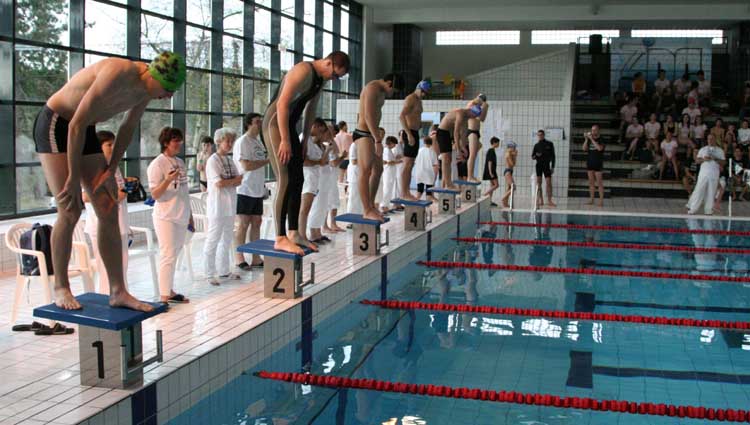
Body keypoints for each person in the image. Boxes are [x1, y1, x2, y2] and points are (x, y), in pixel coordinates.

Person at [34, 51, 185, 311]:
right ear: (153, 75)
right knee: (70, 209)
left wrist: (111, 168)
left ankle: (118, 291)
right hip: (58, 123)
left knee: (107, 206)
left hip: (84, 128)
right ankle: (61, 286)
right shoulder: (119, 72)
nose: (168, 96)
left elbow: (127, 127)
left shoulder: (146, 91)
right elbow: (75, 124)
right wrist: (73, 177)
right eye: (167, 89)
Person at [262, 51, 349, 255]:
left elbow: (311, 109)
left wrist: (305, 140)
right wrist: (285, 140)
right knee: (285, 178)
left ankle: (294, 233)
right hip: (274, 125)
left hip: (289, 127)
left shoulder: (320, 80)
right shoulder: (303, 70)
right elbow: (282, 104)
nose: (333, 79)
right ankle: (280, 237)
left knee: (298, 179)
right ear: (328, 63)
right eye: (334, 75)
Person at [148, 127, 192, 305]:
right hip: (165, 216)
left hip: (181, 213)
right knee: (167, 254)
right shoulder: (157, 164)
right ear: (166, 143)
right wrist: (167, 180)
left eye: (180, 140)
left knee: (175, 253)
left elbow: (184, 191)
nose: (179, 144)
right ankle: (163, 296)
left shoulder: (180, 162)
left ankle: (169, 290)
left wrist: (190, 214)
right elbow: (154, 194)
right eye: (175, 140)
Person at [82, 131, 129, 294]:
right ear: (98, 147)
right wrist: (115, 196)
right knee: (106, 268)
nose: (113, 148)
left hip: (119, 223)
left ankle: (122, 295)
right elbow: (85, 197)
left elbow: (119, 190)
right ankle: (106, 297)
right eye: (109, 145)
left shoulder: (114, 167)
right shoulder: (91, 168)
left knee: (122, 265)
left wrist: (125, 189)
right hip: (101, 226)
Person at [353, 73, 404, 222]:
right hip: (364, 133)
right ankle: (366, 209)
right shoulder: (372, 88)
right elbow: (368, 116)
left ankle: (371, 205)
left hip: (372, 133)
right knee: (366, 170)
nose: (392, 94)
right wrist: (377, 140)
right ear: (388, 83)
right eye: (393, 90)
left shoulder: (381, 91)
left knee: (378, 169)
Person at [204, 128, 242, 286]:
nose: (230, 144)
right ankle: (209, 273)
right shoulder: (212, 160)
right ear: (219, 141)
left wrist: (230, 181)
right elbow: (219, 183)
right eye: (228, 141)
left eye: (232, 141)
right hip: (217, 206)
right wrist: (232, 181)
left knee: (227, 239)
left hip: (230, 205)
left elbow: (239, 180)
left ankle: (224, 271)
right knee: (213, 239)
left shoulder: (229, 160)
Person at [233, 112, 268, 270]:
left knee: (257, 222)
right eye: (257, 122)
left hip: (257, 189)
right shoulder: (243, 142)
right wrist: (267, 161)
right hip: (244, 188)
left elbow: (258, 165)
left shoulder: (258, 142)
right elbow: (246, 165)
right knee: (243, 224)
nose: (260, 124)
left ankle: (256, 257)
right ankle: (239, 257)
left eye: (261, 121)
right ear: (248, 124)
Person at [436, 102, 483, 189]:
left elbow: (463, 134)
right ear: (471, 112)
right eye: (474, 116)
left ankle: (448, 183)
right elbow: (456, 133)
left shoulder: (466, 118)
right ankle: (448, 184)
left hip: (448, 134)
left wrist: (463, 147)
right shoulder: (460, 113)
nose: (474, 118)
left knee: (449, 159)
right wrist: (458, 149)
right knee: (446, 159)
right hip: (442, 132)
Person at [398, 79, 431, 199]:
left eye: (425, 93)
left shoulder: (419, 101)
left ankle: (406, 192)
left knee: (411, 164)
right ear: (418, 88)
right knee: (407, 163)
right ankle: (404, 193)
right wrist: (408, 134)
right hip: (410, 132)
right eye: (422, 92)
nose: (423, 94)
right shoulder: (411, 98)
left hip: (415, 132)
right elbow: (401, 116)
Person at [299, 119, 329, 250]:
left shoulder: (311, 141)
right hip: (307, 178)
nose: (321, 133)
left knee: (307, 209)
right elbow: (303, 161)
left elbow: (319, 160)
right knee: (304, 209)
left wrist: (319, 161)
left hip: (313, 179)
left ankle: (303, 236)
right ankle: (302, 237)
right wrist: (318, 162)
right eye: (321, 130)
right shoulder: (304, 139)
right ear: (315, 126)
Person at [687, 134, 726, 215]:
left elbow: (723, 162)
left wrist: (715, 159)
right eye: (709, 139)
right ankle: (693, 209)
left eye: (712, 139)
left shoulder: (720, 150)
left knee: (711, 192)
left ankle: (708, 210)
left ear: (715, 139)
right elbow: (697, 161)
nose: (710, 140)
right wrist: (704, 159)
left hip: (714, 174)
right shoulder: (703, 149)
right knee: (699, 190)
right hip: (703, 174)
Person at [467, 94, 489, 182]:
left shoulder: (478, 106)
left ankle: (471, 175)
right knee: (472, 155)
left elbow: (482, 119)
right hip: (471, 131)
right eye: (481, 101)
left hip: (476, 132)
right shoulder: (471, 104)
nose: (481, 103)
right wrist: (484, 107)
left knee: (477, 149)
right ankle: (469, 177)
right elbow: (480, 118)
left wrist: (485, 108)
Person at [532, 129, 556, 207]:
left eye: (541, 135)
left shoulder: (549, 144)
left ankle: (549, 201)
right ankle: (541, 200)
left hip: (546, 165)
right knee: (539, 183)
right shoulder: (536, 145)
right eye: (538, 135)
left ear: (543, 135)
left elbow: (553, 156)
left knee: (549, 183)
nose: (540, 136)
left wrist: (553, 166)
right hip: (539, 165)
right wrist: (536, 155)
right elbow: (533, 156)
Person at [583, 125, 605, 206]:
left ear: (598, 130)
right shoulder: (589, 140)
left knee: (599, 183)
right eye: (592, 130)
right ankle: (591, 200)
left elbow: (599, 148)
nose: (593, 132)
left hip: (598, 163)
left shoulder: (601, 139)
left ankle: (601, 201)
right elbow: (584, 149)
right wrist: (586, 139)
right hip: (590, 163)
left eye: (595, 130)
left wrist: (591, 139)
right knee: (591, 183)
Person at [414, 136, 439, 201]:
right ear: (431, 143)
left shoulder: (419, 150)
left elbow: (415, 161)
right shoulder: (432, 152)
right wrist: (435, 175)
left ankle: (415, 202)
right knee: (429, 193)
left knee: (419, 190)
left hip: (419, 172)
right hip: (429, 173)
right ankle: (428, 205)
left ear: (424, 142)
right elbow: (435, 164)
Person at [380, 136, 400, 213]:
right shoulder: (386, 150)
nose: (394, 146)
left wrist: (396, 159)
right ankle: (383, 206)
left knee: (389, 190)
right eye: (394, 144)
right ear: (390, 143)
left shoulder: (389, 150)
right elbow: (389, 162)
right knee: (387, 190)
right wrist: (399, 161)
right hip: (388, 173)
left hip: (390, 173)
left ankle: (386, 206)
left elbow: (391, 160)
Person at [481, 137, 499, 206]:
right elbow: (489, 162)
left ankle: (490, 201)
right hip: (491, 171)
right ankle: (484, 195)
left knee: (492, 185)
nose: (498, 144)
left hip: (491, 170)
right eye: (497, 143)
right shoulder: (491, 151)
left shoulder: (492, 150)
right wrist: (490, 172)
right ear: (494, 143)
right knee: (496, 185)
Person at [499, 140, 517, 208]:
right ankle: (503, 198)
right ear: (510, 147)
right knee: (513, 187)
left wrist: (514, 155)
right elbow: (512, 164)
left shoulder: (509, 153)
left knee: (509, 187)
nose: (515, 149)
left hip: (509, 171)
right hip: (508, 172)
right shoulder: (508, 154)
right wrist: (515, 156)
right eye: (514, 148)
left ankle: (505, 203)